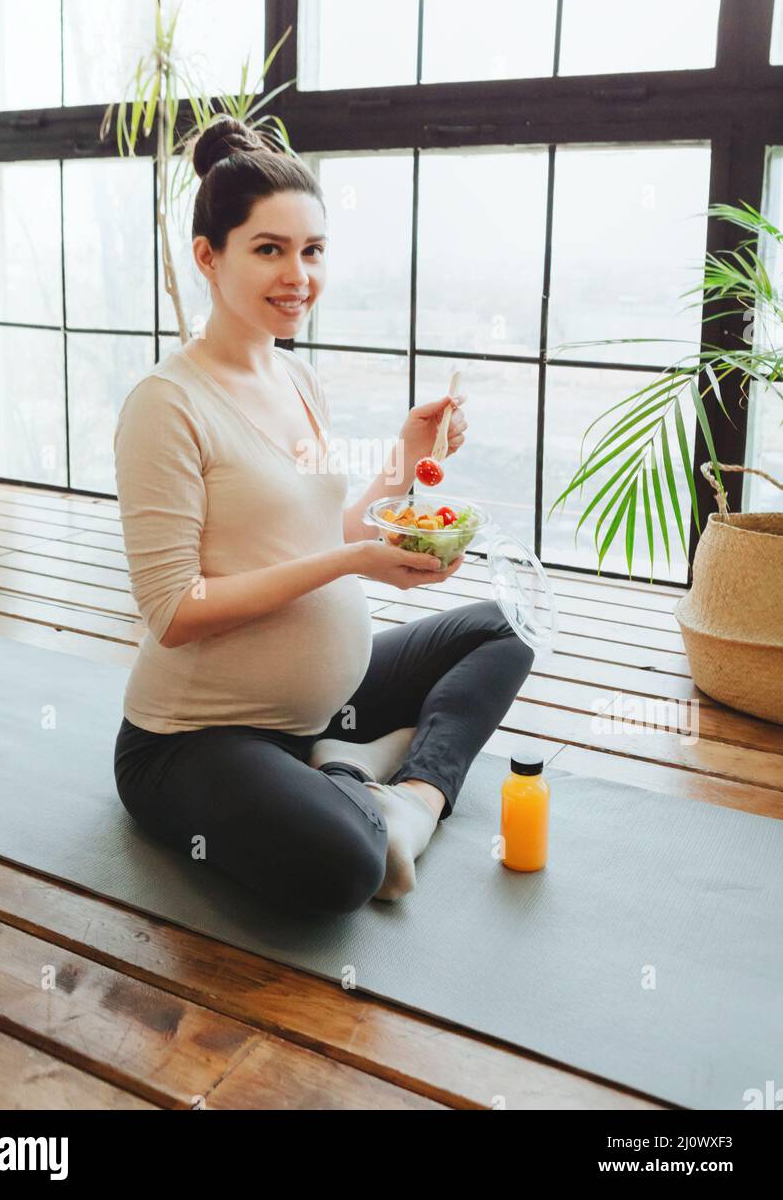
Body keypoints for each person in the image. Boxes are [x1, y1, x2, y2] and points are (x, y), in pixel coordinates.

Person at [113, 115, 535, 916]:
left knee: (503, 628)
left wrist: (404, 463)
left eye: (313, 251)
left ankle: (409, 797)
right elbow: (172, 611)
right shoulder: (165, 407)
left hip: (327, 697)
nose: (298, 275)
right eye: (269, 249)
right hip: (198, 737)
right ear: (208, 256)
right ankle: (350, 775)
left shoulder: (298, 380)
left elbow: (324, 531)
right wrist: (352, 565)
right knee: (345, 866)